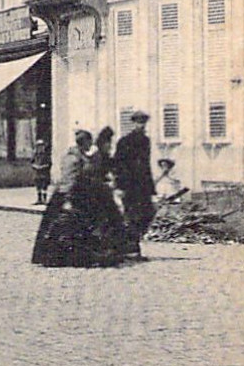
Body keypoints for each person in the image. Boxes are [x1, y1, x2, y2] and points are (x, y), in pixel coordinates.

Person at [32, 129, 122, 268]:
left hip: (79, 195)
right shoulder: (72, 158)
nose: (91, 144)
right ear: (84, 142)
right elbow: (69, 179)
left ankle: (83, 256)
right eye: (89, 142)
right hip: (68, 196)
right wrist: (68, 200)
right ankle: (58, 257)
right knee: (63, 228)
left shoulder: (82, 156)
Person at [112, 111, 156, 259]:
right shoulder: (124, 141)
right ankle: (132, 249)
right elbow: (118, 164)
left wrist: (150, 187)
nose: (141, 125)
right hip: (129, 185)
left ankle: (132, 246)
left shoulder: (146, 141)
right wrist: (120, 185)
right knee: (132, 216)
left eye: (143, 122)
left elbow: (146, 165)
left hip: (142, 185)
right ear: (133, 123)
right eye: (138, 122)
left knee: (146, 214)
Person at [30, 139, 52, 205]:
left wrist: (42, 167)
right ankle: (39, 199)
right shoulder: (35, 155)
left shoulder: (46, 155)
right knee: (38, 187)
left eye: (41, 146)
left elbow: (49, 164)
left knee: (44, 187)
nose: (40, 148)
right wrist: (35, 166)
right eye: (38, 146)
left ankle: (44, 200)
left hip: (44, 173)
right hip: (37, 173)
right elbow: (31, 162)